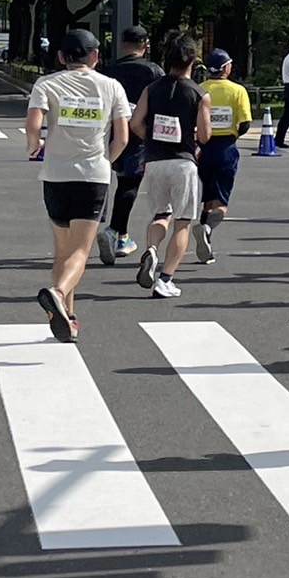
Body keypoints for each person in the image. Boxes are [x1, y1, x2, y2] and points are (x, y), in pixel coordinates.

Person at [26, 29, 132, 341]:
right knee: (81, 252)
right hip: (92, 175)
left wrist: (35, 146)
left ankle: (68, 318)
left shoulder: (47, 83)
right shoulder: (111, 86)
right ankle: (59, 294)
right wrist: (106, 161)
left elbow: (33, 123)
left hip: (55, 175)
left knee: (62, 250)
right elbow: (123, 137)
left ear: (60, 57)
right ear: (96, 56)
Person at [130, 33, 211, 298]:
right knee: (183, 222)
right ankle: (165, 279)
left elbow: (135, 122)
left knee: (160, 215)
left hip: (154, 161)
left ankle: (151, 250)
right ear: (193, 60)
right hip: (183, 162)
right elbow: (204, 135)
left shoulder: (151, 89)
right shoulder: (199, 94)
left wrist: (151, 138)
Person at [98, 25, 164, 265]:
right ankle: (115, 231)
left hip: (113, 131)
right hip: (141, 133)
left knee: (115, 181)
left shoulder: (110, 71)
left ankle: (116, 232)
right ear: (144, 46)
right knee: (130, 183)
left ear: (123, 45)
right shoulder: (154, 71)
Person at [196, 48, 252, 264]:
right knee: (221, 202)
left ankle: (206, 241)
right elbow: (245, 123)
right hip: (226, 146)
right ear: (225, 68)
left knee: (208, 197)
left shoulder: (200, 89)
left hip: (203, 146)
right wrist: (234, 133)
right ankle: (207, 227)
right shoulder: (237, 91)